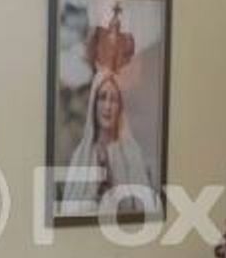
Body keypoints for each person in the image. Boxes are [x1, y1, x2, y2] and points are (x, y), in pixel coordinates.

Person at [60, 70, 157, 216]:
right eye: (102, 97)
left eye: (114, 100)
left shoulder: (132, 153)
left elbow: (146, 209)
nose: (107, 106)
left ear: (120, 107)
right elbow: (68, 211)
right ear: (94, 104)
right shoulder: (81, 155)